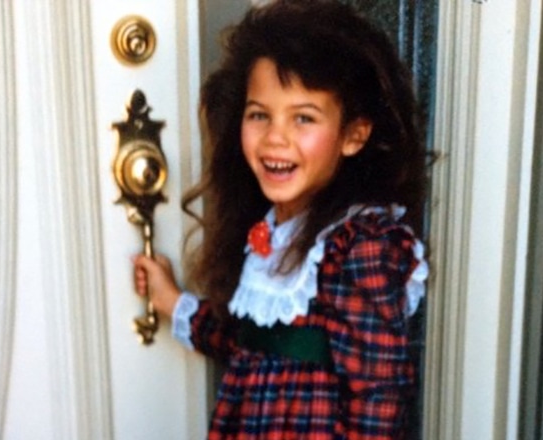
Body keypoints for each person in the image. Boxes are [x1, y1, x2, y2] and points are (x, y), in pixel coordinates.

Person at [133, 0, 429, 438]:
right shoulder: (272, 229)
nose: (275, 138)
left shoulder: (360, 244)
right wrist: (174, 303)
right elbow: (250, 340)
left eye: (303, 118)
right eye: (259, 114)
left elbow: (377, 398)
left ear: (353, 135)